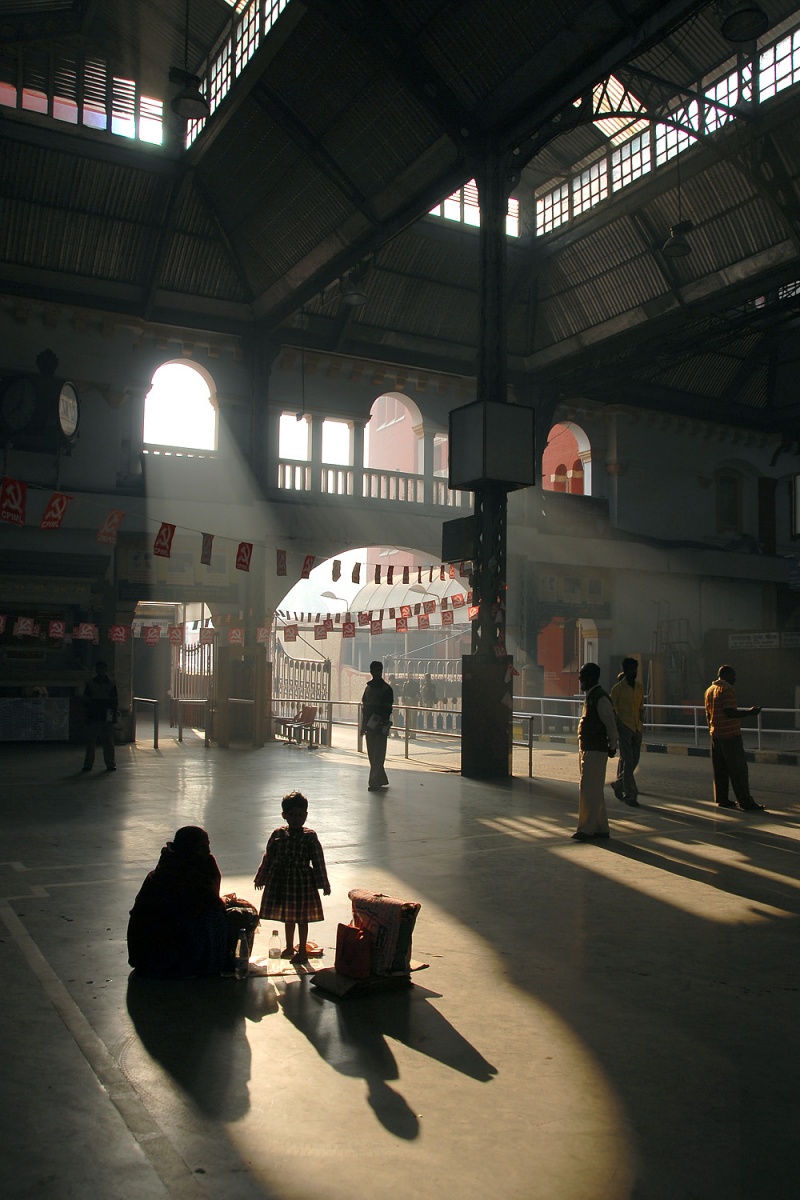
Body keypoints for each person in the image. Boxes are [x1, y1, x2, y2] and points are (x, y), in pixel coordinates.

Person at [127, 826, 229, 978]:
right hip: (165, 955)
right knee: (216, 916)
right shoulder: (184, 871)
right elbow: (208, 902)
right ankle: (208, 963)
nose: (208, 850)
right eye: (203, 846)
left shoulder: (166, 866)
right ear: (192, 848)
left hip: (145, 956)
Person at [253, 791, 330, 962]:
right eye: (293, 815)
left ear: (306, 815)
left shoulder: (310, 837)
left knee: (302, 917)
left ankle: (302, 950)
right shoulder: (278, 834)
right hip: (282, 881)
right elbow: (268, 857)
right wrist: (261, 877)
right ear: (284, 815)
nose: (297, 819)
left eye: (300, 815)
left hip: (302, 882)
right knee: (288, 915)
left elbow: (318, 861)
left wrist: (324, 883)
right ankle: (289, 946)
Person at [704, 665, 765, 811]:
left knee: (720, 769)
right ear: (726, 675)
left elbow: (708, 714)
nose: (735, 679)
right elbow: (729, 712)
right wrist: (750, 712)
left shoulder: (709, 690)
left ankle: (722, 799)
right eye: (733, 675)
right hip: (730, 735)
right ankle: (745, 802)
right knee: (738, 770)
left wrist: (712, 729)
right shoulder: (727, 689)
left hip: (716, 735)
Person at [573, 662, 618, 841]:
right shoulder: (592, 696)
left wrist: (612, 745)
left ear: (591, 678)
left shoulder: (600, 698)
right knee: (595, 789)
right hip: (589, 748)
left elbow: (610, 724)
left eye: (582, 675)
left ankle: (587, 828)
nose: (580, 678)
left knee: (589, 789)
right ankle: (601, 827)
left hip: (595, 749)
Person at [609, 657, 644, 806]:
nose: (634, 672)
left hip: (637, 728)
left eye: (635, 669)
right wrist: (618, 724)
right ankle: (630, 795)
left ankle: (618, 783)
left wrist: (641, 722)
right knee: (628, 761)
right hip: (625, 727)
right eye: (631, 669)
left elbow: (641, 707)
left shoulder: (639, 688)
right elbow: (611, 710)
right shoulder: (617, 689)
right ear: (625, 670)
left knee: (634, 760)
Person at [361, 660, 394, 789]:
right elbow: (365, 708)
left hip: (378, 726)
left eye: (379, 670)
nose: (377, 673)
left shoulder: (384, 689)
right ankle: (380, 778)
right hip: (372, 726)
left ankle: (374, 781)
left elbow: (387, 709)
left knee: (377, 755)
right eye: (376, 670)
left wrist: (379, 723)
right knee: (374, 755)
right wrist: (364, 726)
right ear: (371, 672)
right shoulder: (373, 688)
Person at [82, 660, 118, 772]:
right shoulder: (110, 684)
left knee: (97, 741)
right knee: (99, 741)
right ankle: (109, 763)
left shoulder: (91, 683)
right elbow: (114, 702)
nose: (99, 671)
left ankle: (90, 764)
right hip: (100, 713)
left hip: (97, 713)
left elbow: (86, 700)